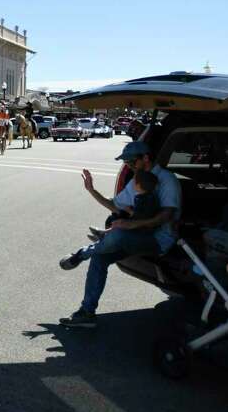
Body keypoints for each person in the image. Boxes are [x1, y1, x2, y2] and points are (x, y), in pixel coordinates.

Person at [57, 140, 182, 328]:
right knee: (100, 256)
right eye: (126, 163)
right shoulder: (137, 179)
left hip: (159, 240)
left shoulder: (166, 180)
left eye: (132, 161)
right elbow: (116, 205)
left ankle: (82, 253)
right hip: (137, 236)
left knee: (116, 236)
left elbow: (167, 215)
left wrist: (131, 224)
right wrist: (92, 190)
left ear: (146, 158)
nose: (129, 166)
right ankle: (87, 313)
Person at [86, 170, 160, 242]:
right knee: (117, 220)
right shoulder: (145, 196)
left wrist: (129, 211)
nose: (132, 183)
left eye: (133, 182)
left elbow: (140, 215)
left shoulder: (144, 199)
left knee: (119, 223)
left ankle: (103, 236)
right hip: (137, 221)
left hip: (140, 226)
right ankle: (103, 234)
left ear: (138, 186)